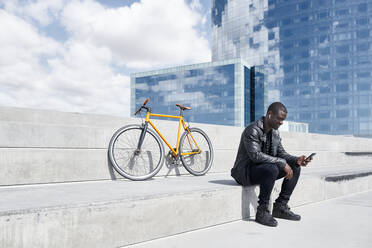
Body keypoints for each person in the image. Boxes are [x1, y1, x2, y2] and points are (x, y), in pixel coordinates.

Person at [231, 102, 312, 227]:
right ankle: (262, 211)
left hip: (263, 170)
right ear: (269, 115)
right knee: (273, 168)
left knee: (295, 167)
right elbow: (255, 156)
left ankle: (280, 206)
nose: (281, 122)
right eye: (279, 119)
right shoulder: (252, 130)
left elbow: (281, 154)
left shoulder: (275, 133)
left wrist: (296, 160)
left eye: (283, 120)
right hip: (244, 172)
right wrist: (281, 162)